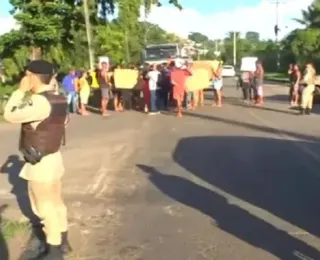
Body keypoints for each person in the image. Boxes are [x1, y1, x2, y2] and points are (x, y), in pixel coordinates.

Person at [3, 59, 71, 260]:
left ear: (32, 76)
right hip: (53, 157)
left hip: (40, 162)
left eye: (27, 75)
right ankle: (63, 239)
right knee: (56, 201)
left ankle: (54, 250)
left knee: (43, 206)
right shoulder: (58, 99)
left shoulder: (39, 102)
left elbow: (10, 114)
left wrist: (20, 91)